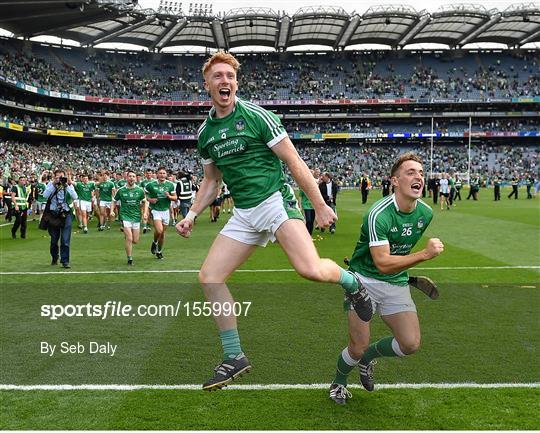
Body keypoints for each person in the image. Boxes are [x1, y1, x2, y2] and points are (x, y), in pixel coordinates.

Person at [175, 51, 372, 391]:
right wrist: (192, 214)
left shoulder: (256, 116)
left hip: (275, 202)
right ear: (206, 84)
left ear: (236, 83)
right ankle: (234, 356)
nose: (226, 81)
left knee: (309, 269)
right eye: (218, 76)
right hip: (244, 213)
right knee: (209, 278)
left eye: (230, 76)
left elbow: (293, 160)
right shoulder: (206, 132)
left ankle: (352, 282)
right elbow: (211, 181)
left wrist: (320, 205)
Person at [328, 152, 444, 405]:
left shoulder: (425, 213)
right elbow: (381, 262)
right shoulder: (378, 214)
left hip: (396, 281)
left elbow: (396, 257)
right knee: (356, 346)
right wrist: (424, 254)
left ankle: (368, 358)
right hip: (363, 282)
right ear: (394, 180)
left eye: (421, 173)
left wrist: (405, 269)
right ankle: (338, 382)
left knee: (410, 343)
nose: (418, 177)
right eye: (411, 172)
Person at [111, 170, 148, 266]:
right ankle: (129, 258)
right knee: (130, 238)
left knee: (135, 240)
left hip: (136, 216)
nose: (131, 178)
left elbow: (145, 202)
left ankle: (127, 238)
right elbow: (114, 201)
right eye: (130, 176)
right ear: (126, 178)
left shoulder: (140, 190)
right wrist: (111, 211)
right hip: (125, 216)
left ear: (135, 178)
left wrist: (145, 213)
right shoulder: (121, 190)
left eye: (133, 176)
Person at [43, 169, 78, 268]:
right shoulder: (51, 184)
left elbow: (75, 196)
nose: (60, 179)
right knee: (54, 240)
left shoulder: (67, 185)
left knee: (65, 239)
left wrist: (67, 186)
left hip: (66, 213)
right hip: (53, 214)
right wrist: (54, 184)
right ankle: (54, 256)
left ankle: (65, 260)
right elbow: (45, 195)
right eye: (57, 177)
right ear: (54, 177)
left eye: (61, 177)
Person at [144, 166, 177, 259]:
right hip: (156, 210)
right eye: (160, 173)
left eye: (164, 173)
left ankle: (159, 251)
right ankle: (154, 242)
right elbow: (145, 196)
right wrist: (150, 199)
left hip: (166, 210)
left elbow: (175, 198)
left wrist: (169, 196)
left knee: (162, 234)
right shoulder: (150, 185)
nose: (162, 175)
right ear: (157, 174)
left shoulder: (171, 185)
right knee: (159, 230)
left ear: (166, 175)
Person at [10, 175, 31, 239]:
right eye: (21, 180)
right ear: (19, 181)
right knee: (18, 220)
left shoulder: (25, 188)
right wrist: (15, 205)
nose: (22, 181)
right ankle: (13, 231)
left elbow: (25, 197)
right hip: (17, 206)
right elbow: (13, 196)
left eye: (24, 180)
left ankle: (23, 235)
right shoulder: (15, 187)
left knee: (24, 222)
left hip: (24, 206)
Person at [299, 170, 317, 235]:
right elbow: (300, 196)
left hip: (313, 205)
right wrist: (300, 205)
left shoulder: (315, 184)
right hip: (306, 205)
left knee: (312, 221)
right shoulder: (303, 184)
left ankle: (310, 234)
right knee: (308, 220)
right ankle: (307, 233)